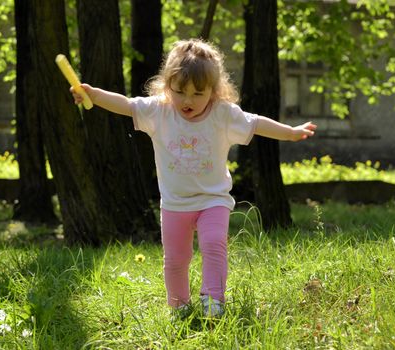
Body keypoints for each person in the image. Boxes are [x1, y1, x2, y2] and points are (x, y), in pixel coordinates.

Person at [70, 39, 317, 318]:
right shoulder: (159, 110)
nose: (188, 101)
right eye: (180, 92)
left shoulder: (223, 114)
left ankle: (213, 300)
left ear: (213, 91)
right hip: (175, 203)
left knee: (214, 243)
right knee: (176, 260)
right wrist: (93, 94)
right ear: (167, 87)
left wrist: (291, 132)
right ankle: (178, 306)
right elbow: (126, 105)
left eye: (198, 93)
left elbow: (257, 123)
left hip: (213, 199)